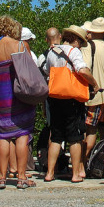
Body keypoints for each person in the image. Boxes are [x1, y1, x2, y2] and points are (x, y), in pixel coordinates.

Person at [0, 15, 37, 188]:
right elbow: (30, 69)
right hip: (19, 95)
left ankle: (1, 177)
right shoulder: (21, 45)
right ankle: (21, 177)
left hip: (2, 95)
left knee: (3, 135)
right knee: (22, 133)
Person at [43, 25, 97, 183]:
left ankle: (49, 173)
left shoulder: (51, 52)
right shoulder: (74, 52)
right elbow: (82, 70)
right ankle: (75, 174)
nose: (80, 46)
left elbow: (47, 72)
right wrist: (94, 83)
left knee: (56, 137)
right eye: (80, 42)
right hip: (71, 97)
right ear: (76, 40)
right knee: (75, 137)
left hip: (55, 97)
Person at [82, 17, 104, 157]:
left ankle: (84, 162)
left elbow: (85, 68)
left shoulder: (88, 46)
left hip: (92, 95)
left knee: (89, 130)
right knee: (100, 129)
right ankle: (97, 160)